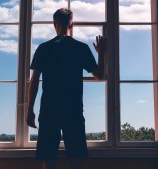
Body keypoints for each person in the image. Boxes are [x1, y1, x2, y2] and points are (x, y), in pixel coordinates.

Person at [26, 8, 106, 169]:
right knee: (76, 160)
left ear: (54, 24)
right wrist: (102, 52)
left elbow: (34, 81)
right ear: (72, 24)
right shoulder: (80, 48)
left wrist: (29, 110)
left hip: (49, 108)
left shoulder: (44, 48)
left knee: (48, 159)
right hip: (73, 109)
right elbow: (99, 76)